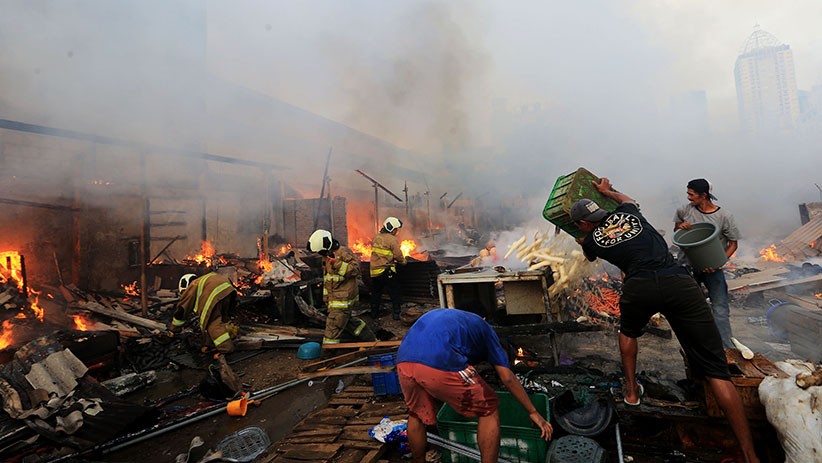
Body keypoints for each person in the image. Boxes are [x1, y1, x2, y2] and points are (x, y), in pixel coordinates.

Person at [570, 178, 759, 463]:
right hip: (678, 283)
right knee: (717, 372)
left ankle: (632, 391)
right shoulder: (628, 213)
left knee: (628, 332)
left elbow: (588, 250)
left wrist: (583, 239)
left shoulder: (593, 240)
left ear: (584, 224)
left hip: (639, 286)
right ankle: (750, 455)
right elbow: (626, 199)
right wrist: (607, 191)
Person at [397, 306, 553, 463]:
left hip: (404, 359)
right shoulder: (485, 328)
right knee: (489, 407)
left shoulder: (448, 315)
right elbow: (507, 378)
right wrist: (532, 411)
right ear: (484, 319)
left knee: (416, 413)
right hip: (440, 361)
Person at [674, 178, 740, 348]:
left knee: (720, 309)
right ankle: (694, 345)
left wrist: (718, 263)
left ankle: (726, 347)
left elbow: (733, 244)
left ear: (704, 195)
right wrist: (681, 226)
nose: (688, 197)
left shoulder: (724, 216)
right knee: (689, 308)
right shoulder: (684, 210)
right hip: (688, 268)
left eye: (691, 194)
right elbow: (677, 231)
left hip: (713, 269)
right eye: (687, 193)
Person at [307, 229, 375, 344]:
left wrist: (337, 264)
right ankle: (372, 340)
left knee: (332, 329)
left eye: (321, 251)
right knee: (349, 323)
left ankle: (328, 357)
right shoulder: (327, 256)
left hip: (343, 299)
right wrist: (326, 298)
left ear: (327, 245)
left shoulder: (344, 253)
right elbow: (329, 280)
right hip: (335, 299)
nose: (321, 255)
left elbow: (356, 270)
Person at [171, 272, 238, 353]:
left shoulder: (192, 287)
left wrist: (173, 329)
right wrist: (207, 344)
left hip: (215, 292)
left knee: (212, 322)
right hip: (228, 289)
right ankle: (215, 343)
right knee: (220, 320)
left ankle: (226, 349)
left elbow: (182, 310)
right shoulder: (202, 282)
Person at [370, 217, 407, 320]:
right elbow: (398, 255)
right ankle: (396, 314)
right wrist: (403, 262)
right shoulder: (392, 239)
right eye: (396, 229)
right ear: (392, 229)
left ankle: (374, 313)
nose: (397, 231)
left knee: (376, 293)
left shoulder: (376, 237)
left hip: (374, 271)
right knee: (394, 292)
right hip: (387, 271)